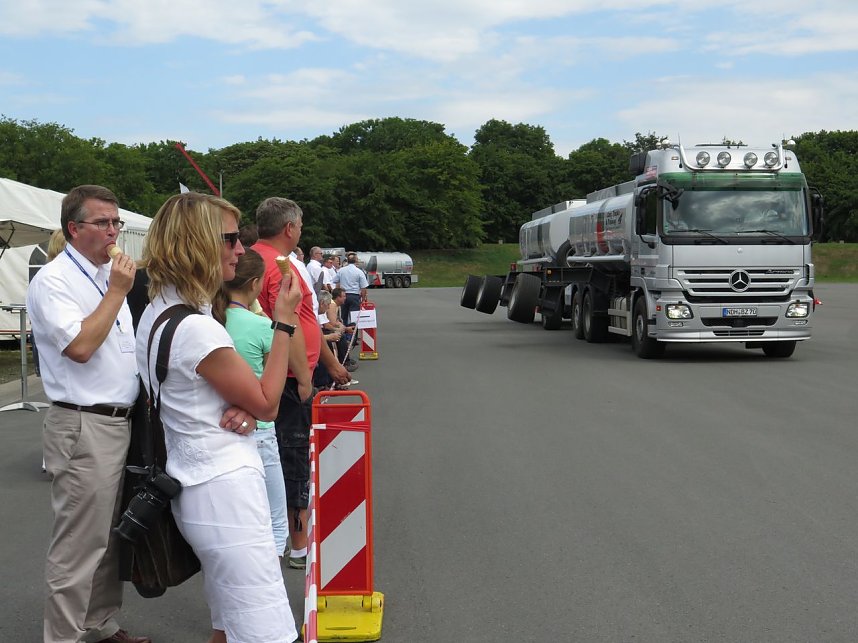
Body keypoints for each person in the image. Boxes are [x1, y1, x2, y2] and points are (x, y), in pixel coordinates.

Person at [136, 192, 302, 643]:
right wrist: (283, 323)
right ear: (197, 244)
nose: (241, 250)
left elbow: (197, 398)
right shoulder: (196, 326)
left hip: (197, 483)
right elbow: (268, 403)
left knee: (228, 625)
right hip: (225, 490)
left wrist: (244, 408)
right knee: (265, 627)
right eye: (230, 239)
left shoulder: (158, 312)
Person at [26, 185, 150, 643]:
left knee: (111, 536)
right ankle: (62, 637)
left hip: (118, 420)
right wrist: (119, 291)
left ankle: (98, 623)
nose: (113, 231)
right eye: (103, 223)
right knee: (79, 544)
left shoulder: (101, 275)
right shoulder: (55, 280)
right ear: (74, 228)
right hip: (83, 422)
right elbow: (79, 347)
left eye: (116, 223)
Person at [252, 197, 349, 569]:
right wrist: (306, 377)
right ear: (289, 228)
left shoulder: (266, 261)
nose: (302, 230)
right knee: (293, 455)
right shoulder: (277, 267)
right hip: (292, 379)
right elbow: (287, 324)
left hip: (294, 372)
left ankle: (293, 533)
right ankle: (297, 542)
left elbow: (304, 322)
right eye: (301, 224)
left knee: (289, 454)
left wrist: (327, 364)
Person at [211, 249, 289, 558]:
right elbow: (275, 384)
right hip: (260, 428)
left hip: (221, 428)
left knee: (236, 524)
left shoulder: (211, 320)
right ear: (256, 284)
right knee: (275, 520)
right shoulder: (262, 327)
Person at [338, 252, 369, 329]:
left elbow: (335, 281)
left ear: (347, 261)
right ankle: (352, 337)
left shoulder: (341, 270)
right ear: (356, 261)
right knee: (354, 318)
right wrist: (363, 298)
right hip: (354, 296)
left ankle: (343, 336)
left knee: (343, 316)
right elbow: (363, 288)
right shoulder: (359, 272)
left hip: (343, 295)